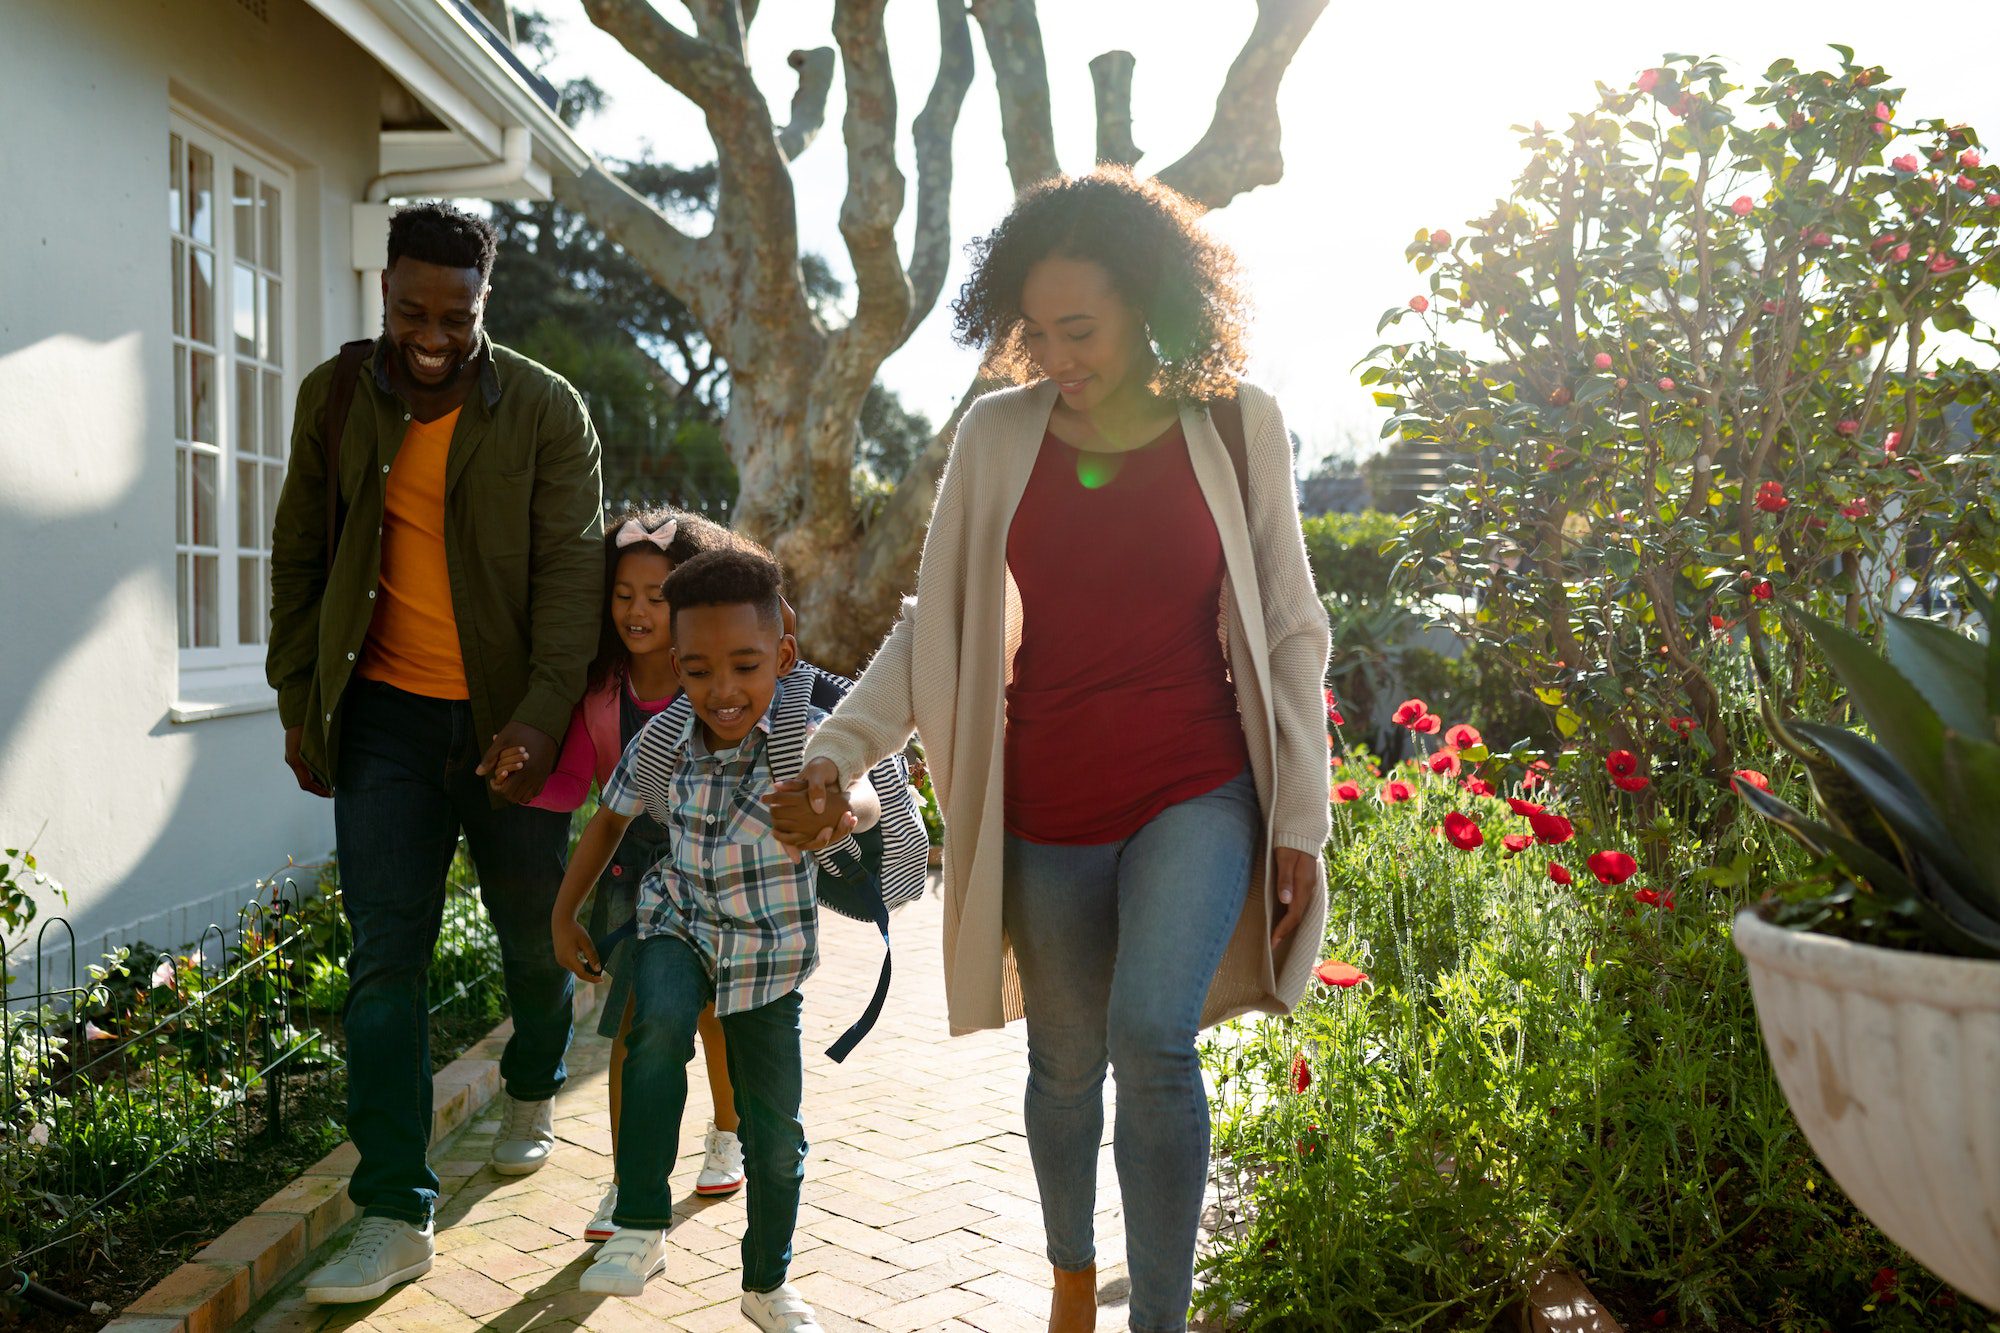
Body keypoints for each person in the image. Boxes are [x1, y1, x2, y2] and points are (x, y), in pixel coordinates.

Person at [783, 167, 1332, 1333]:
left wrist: (1299, 820)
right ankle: (1073, 1274)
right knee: (1065, 1068)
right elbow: (935, 627)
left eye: (1076, 329)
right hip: (1043, 805)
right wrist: (836, 752)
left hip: (1196, 786)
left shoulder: (1235, 424)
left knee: (1151, 1037)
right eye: (1034, 330)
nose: (1054, 354)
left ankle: (1161, 1320)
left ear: (1148, 304)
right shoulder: (998, 437)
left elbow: (1288, 625)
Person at [266, 201, 603, 1304]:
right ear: (384, 293)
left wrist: (539, 719)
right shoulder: (335, 398)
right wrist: (297, 699)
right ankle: (393, 1210)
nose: (430, 333)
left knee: (529, 937)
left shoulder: (546, 412)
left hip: (510, 722)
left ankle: (533, 1080)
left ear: (481, 304)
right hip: (383, 721)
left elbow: (570, 586)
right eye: (411, 308)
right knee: (383, 961)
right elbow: (298, 557)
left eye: (453, 313)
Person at [549, 545, 875, 1331]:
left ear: (783, 656)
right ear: (677, 664)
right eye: (697, 671)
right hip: (679, 924)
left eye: (745, 666)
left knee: (775, 1131)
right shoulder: (666, 740)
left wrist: (836, 810)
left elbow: (861, 793)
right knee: (654, 1030)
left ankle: (767, 1283)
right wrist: (563, 914)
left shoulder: (805, 736)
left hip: (767, 957)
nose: (722, 691)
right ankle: (638, 1224)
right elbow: (609, 818)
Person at [513, 506, 789, 1242]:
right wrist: (517, 777)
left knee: (717, 1016)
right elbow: (579, 787)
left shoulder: (710, 683)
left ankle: (727, 1131)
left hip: (720, 872)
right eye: (624, 593)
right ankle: (625, 1181)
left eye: (658, 594)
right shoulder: (602, 690)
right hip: (636, 877)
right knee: (635, 1028)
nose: (638, 610)